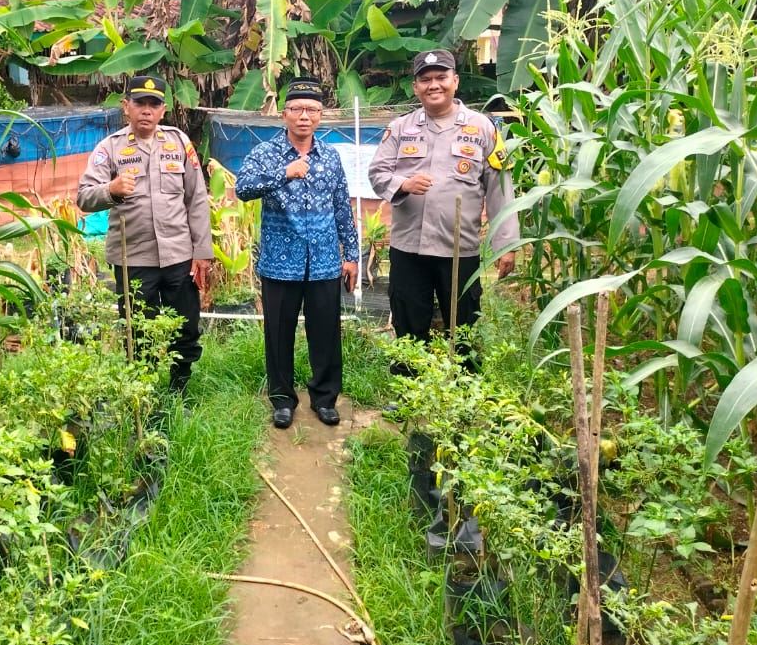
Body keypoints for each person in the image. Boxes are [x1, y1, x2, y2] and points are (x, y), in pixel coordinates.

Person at [368, 50, 517, 371]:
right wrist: (403, 184)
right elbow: (377, 173)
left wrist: (506, 244)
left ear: (455, 81)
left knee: (463, 327)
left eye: (441, 78)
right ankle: (408, 394)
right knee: (409, 326)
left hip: (459, 250)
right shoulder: (400, 128)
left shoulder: (483, 129)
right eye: (425, 79)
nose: (433, 85)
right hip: (409, 248)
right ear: (415, 86)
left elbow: (501, 188)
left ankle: (464, 397)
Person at [236, 79, 359, 430]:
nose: (304, 116)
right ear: (284, 114)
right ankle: (282, 399)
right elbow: (243, 188)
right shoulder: (265, 154)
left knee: (326, 332)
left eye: (312, 110)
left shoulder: (331, 156)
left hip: (323, 262)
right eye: (297, 109)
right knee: (278, 332)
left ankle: (324, 398)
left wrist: (351, 255)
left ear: (321, 116)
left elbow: (341, 208)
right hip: (279, 261)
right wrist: (283, 174)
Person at [77, 75, 213, 393]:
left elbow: (197, 198)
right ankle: (144, 393)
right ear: (127, 107)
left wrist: (202, 251)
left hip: (179, 254)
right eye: (140, 103)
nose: (146, 111)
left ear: (163, 109)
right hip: (133, 257)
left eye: (154, 104)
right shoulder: (109, 148)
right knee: (138, 330)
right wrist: (110, 190)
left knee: (185, 326)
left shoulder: (179, 142)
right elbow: (84, 195)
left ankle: (180, 386)